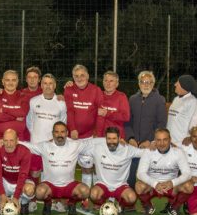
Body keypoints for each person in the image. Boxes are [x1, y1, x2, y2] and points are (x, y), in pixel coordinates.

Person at [20, 121, 91, 215]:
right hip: (50, 186)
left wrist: (107, 141)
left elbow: (93, 143)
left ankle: (72, 203)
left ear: (67, 133)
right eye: (57, 132)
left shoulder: (75, 145)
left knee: (85, 191)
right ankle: (48, 202)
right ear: (53, 133)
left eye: (62, 132)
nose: (59, 135)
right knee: (39, 192)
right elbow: (28, 146)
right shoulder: (45, 146)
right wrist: (12, 142)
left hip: (69, 186)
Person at [80, 127, 143, 214]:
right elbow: (78, 148)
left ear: (119, 138)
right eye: (109, 138)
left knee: (131, 197)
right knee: (94, 194)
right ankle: (100, 204)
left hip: (120, 186)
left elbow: (144, 153)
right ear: (105, 139)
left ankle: (121, 204)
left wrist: (155, 146)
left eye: (114, 138)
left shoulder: (127, 149)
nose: (111, 142)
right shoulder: (98, 148)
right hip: (103, 185)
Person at [135, 128, 194, 215]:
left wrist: (172, 183)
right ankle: (148, 206)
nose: (162, 143)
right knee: (139, 186)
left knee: (189, 186)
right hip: (153, 187)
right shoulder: (148, 152)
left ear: (170, 140)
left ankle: (174, 207)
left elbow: (187, 174)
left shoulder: (178, 152)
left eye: (165, 140)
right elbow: (140, 174)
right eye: (158, 140)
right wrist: (155, 184)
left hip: (171, 187)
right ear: (155, 140)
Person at [63, 64, 103, 196]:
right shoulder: (69, 89)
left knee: (88, 167)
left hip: (89, 137)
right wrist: (73, 129)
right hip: (72, 138)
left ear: (88, 76)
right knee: (68, 167)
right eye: (76, 76)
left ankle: (89, 197)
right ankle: (68, 194)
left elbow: (100, 113)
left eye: (82, 75)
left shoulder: (96, 90)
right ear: (73, 78)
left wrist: (98, 133)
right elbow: (70, 111)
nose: (79, 78)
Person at [125, 70, 167, 193]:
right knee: (130, 176)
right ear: (139, 84)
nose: (146, 85)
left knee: (147, 178)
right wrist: (130, 138)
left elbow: (161, 124)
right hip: (134, 146)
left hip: (150, 146)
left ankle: (146, 204)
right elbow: (127, 122)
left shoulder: (159, 100)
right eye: (143, 82)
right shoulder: (132, 99)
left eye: (149, 82)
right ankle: (129, 203)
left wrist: (151, 141)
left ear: (153, 84)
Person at [26, 73, 67, 188]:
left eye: (50, 83)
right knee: (35, 172)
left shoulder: (61, 103)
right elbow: (29, 121)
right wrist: (35, 135)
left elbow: (63, 123)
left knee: (50, 174)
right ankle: (33, 200)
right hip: (36, 144)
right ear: (41, 85)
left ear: (54, 85)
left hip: (52, 146)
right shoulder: (33, 101)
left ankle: (48, 202)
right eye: (45, 83)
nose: (48, 86)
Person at [0, 129, 35, 215]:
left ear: (17, 140)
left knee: (30, 190)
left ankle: (23, 203)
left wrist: (16, 197)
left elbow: (23, 176)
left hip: (22, 181)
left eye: (11, 140)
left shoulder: (25, 152)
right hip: (6, 180)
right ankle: (1, 202)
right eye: (6, 140)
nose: (8, 144)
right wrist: (2, 195)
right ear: (2, 140)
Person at [95, 71, 130, 139]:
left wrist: (107, 113)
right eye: (106, 80)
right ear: (103, 82)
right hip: (98, 138)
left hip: (115, 138)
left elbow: (125, 117)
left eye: (111, 81)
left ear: (117, 84)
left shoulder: (121, 96)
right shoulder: (97, 95)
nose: (108, 83)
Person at [167, 74, 197, 147]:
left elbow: (193, 122)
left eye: (178, 83)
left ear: (184, 86)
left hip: (181, 143)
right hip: (170, 142)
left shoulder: (193, 101)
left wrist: (189, 137)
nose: (175, 84)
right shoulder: (176, 99)